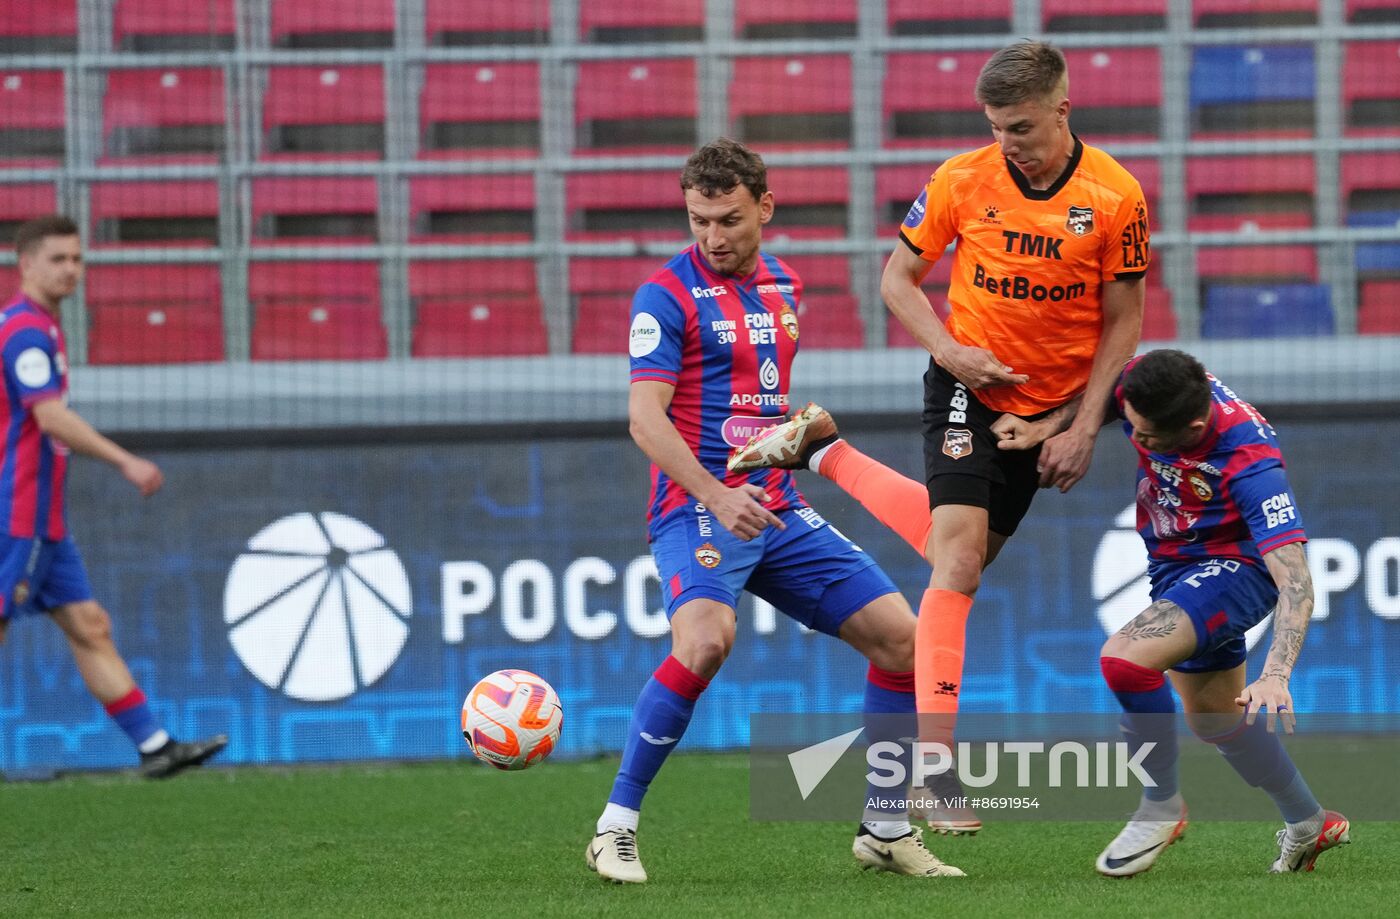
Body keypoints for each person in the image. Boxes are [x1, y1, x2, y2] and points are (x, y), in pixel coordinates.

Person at [732, 349, 1351, 876]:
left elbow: (1295, 580)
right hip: (1174, 567)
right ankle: (1309, 822)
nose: (1136, 439)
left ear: (1193, 425)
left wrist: (1276, 675)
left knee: (1124, 662)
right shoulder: (1151, 381)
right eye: (1130, 426)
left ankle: (1161, 803)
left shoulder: (1250, 460)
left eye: (1150, 438)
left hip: (1234, 572)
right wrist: (1045, 429)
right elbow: (1106, 393)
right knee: (1216, 723)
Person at [586, 140, 962, 884]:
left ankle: (885, 828)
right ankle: (614, 826)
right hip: (698, 508)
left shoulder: (786, 285)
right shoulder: (664, 296)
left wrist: (791, 434)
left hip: (777, 505)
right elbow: (645, 419)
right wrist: (717, 494)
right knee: (704, 641)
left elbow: (751, 403)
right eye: (698, 220)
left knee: (902, 641)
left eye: (727, 218)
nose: (712, 236)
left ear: (765, 206)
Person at [0, 215, 227, 779]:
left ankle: (154, 746)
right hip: (16, 511)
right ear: (25, 264)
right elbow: (48, 417)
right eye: (58, 259)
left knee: (88, 623)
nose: (72, 270)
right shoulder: (24, 329)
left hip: (45, 516)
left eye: (78, 259)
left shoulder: (42, 327)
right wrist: (125, 460)